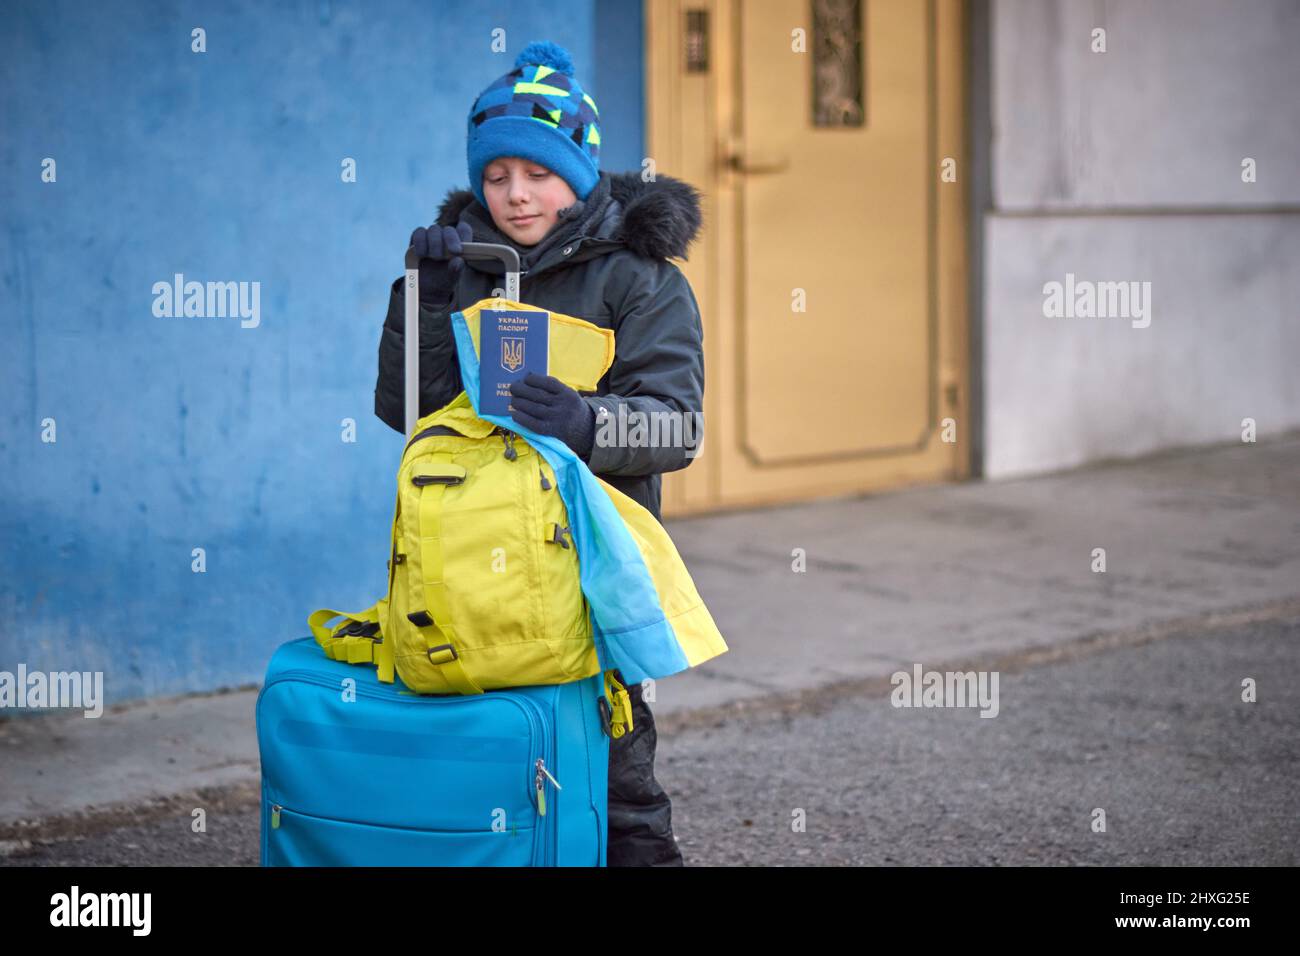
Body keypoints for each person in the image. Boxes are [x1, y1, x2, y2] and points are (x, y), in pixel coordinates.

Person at [373, 40, 705, 867]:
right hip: (469, 570)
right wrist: (423, 298)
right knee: (490, 776)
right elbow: (404, 412)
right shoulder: (462, 265)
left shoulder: (639, 280)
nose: (515, 195)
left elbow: (678, 428)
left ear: (581, 170)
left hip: (591, 575)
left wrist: (587, 423)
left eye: (538, 172)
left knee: (616, 784)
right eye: (495, 176)